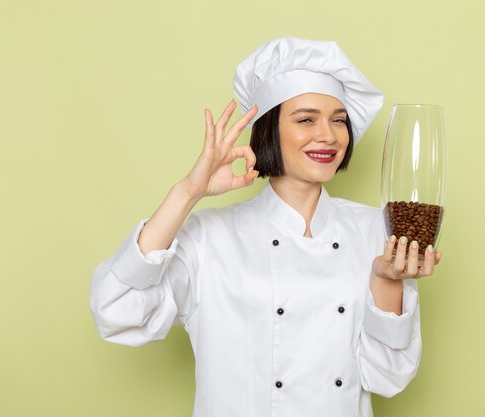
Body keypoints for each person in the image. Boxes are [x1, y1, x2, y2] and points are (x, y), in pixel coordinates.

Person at [90, 37, 442, 417]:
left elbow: (389, 378)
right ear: (269, 129)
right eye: (306, 119)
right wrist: (187, 192)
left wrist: (387, 280)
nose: (328, 135)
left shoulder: (378, 229)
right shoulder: (210, 237)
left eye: (338, 120)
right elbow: (116, 311)